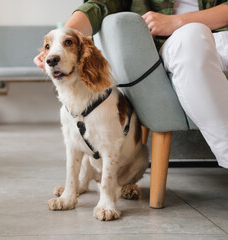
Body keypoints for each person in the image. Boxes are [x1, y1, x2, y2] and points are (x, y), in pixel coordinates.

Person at [34, 0, 228, 168]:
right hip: (183, 41)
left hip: (222, 35)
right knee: (192, 37)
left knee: (192, 32)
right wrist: (59, 47)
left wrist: (177, 21)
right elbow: (98, 6)